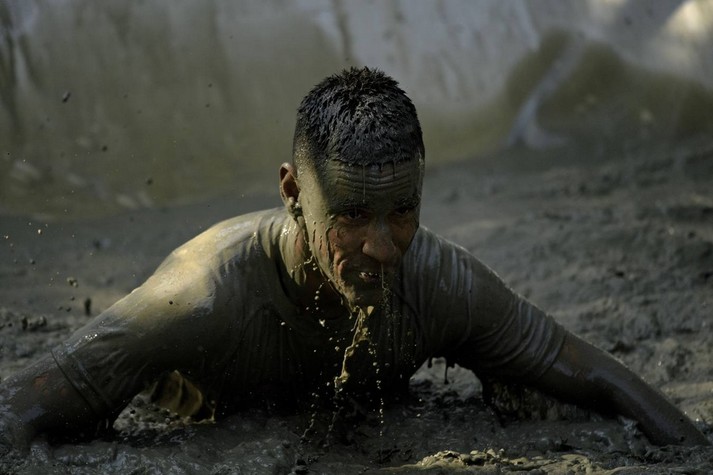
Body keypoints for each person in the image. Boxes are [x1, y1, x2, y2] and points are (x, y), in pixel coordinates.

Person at [0, 67, 708, 454]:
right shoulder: (204, 293)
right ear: (291, 193)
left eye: (402, 211)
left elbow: (590, 372)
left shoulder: (439, 281)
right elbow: (23, 406)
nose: (382, 246)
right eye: (351, 216)